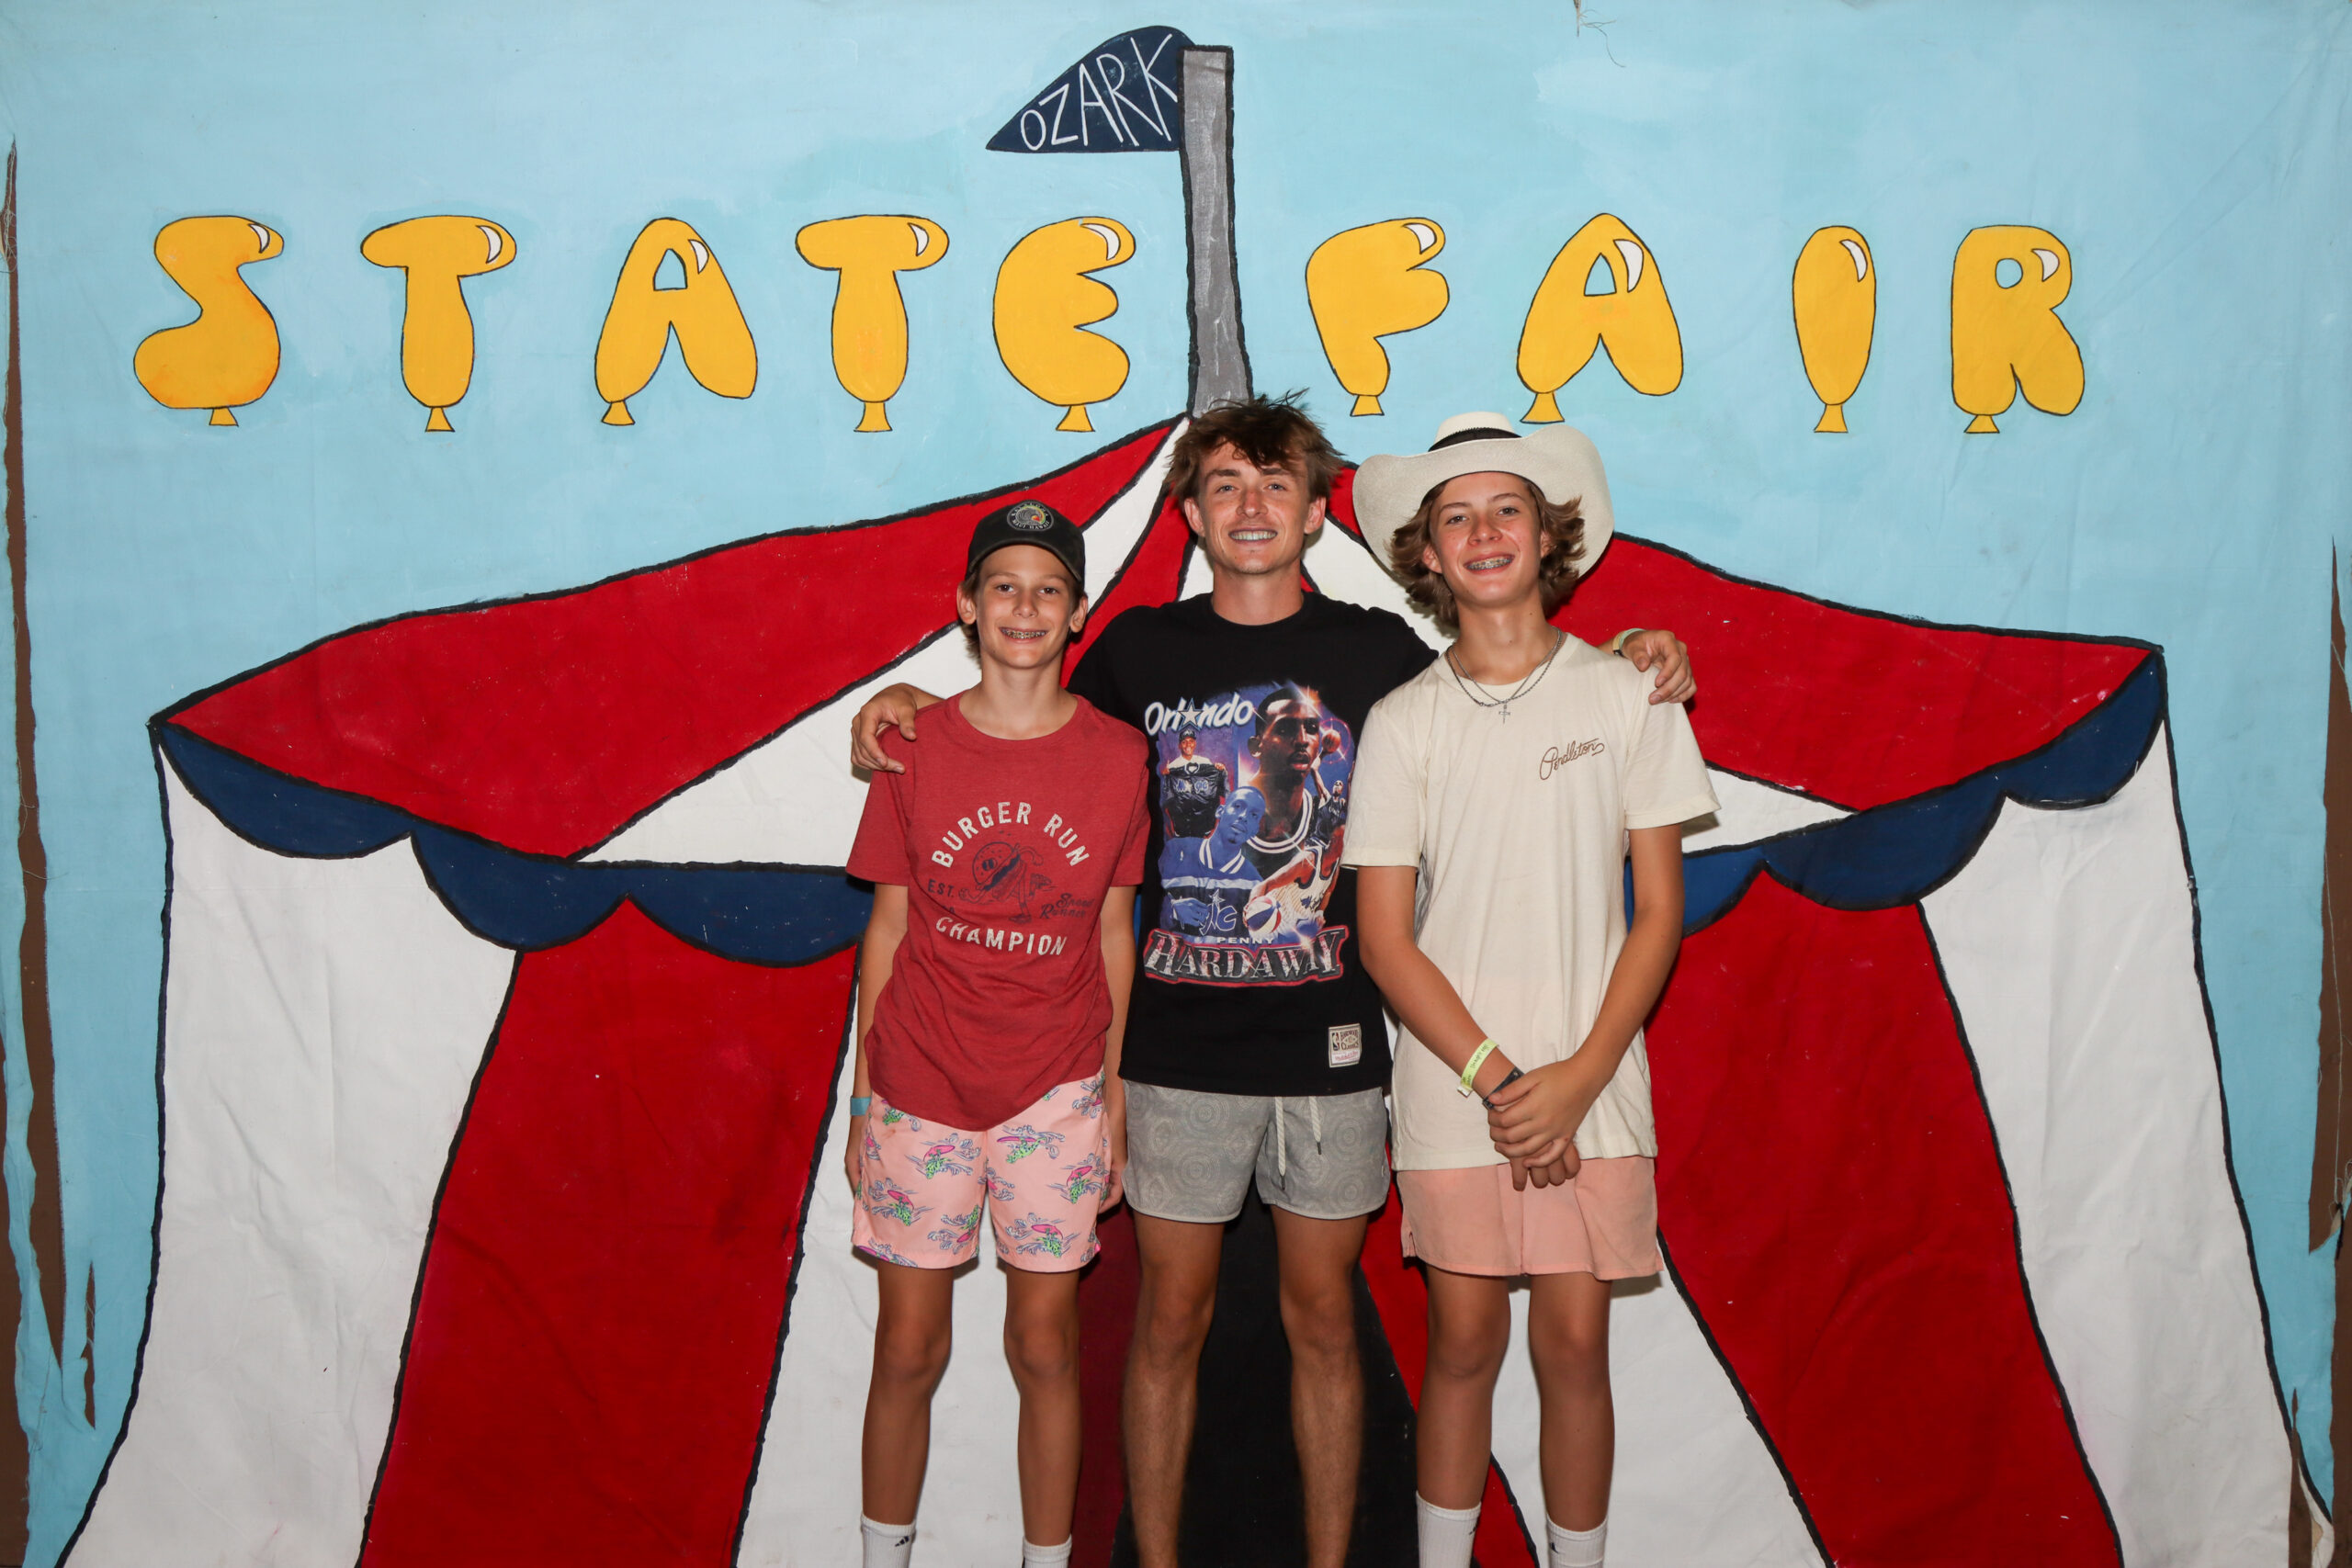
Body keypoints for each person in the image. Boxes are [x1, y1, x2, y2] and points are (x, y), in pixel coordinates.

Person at [850, 395, 1698, 1568]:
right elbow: (1025, 724)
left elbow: (1505, 681)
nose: (1250, 505)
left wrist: (1641, 647)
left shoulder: (1380, 657)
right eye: (1224, 485)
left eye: (1275, 484)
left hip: (1333, 1053)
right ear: (1192, 515)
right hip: (1175, 1055)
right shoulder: (1134, 653)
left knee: (1325, 1323)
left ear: (1312, 514)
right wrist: (904, 704)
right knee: (1167, 1323)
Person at [1345, 414, 1720, 1568]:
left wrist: (1578, 1079)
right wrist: (1507, 1084)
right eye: (1454, 517)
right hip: (1461, 1088)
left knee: (1572, 1346)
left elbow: (1657, 912)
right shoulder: (1401, 721)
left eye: (1505, 508)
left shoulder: (1628, 693)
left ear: (1550, 534)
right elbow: (1384, 939)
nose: (1483, 532)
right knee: (1462, 1344)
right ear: (1426, 554)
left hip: (1591, 1083)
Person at [842, 499, 1151, 1568]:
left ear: (1078, 613)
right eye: (1005, 586)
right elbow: (886, 929)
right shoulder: (911, 746)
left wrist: (1112, 1094)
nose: (1026, 607)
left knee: (1046, 1347)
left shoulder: (1119, 758)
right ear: (967, 606)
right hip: (917, 1085)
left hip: (1055, 1093)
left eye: (1049, 589)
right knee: (906, 1348)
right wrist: (863, 1099)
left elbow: (1113, 933)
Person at [1159, 723, 1229, 838]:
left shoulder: (1205, 762)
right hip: (1183, 824)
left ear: (1195, 743)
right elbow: (1165, 798)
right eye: (1184, 742)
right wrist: (1165, 776)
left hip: (1203, 823)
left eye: (1191, 741)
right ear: (1179, 745)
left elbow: (1219, 787)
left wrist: (1221, 769)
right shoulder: (1172, 767)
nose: (1188, 745)